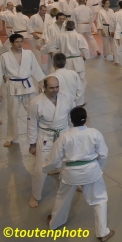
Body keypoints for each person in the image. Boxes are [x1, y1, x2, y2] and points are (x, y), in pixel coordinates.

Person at [43, 106, 114, 241]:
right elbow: (103, 154)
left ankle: (55, 223)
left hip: (71, 173)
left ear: (71, 120)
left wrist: (45, 169)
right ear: (86, 118)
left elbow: (54, 159)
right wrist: (98, 169)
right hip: (91, 170)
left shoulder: (65, 137)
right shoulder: (95, 133)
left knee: (62, 198)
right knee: (99, 199)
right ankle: (102, 232)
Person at [27, 76, 74, 208]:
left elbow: (72, 116)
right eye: (52, 88)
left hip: (64, 134)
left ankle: (75, 183)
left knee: (70, 162)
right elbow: (31, 124)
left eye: (57, 87)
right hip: (46, 137)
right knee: (40, 169)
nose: (55, 90)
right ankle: (35, 195)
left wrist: (77, 133)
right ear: (44, 88)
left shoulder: (67, 97)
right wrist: (32, 144)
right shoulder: (36, 102)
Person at [1, 33, 46, 147]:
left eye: (21, 41)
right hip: (13, 87)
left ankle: (39, 134)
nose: (20, 44)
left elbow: (36, 68)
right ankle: (11, 137)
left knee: (34, 111)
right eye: (17, 42)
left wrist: (40, 83)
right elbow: (0, 74)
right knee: (12, 114)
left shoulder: (28, 53)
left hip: (28, 86)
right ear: (11, 43)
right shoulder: (4, 56)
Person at [42, 21, 89, 107]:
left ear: (65, 27)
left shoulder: (60, 36)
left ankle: (65, 100)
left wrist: (46, 51)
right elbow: (85, 48)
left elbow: (50, 46)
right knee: (81, 81)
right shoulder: (79, 36)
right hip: (78, 60)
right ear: (74, 27)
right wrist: (86, 56)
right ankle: (80, 101)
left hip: (65, 61)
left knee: (66, 81)